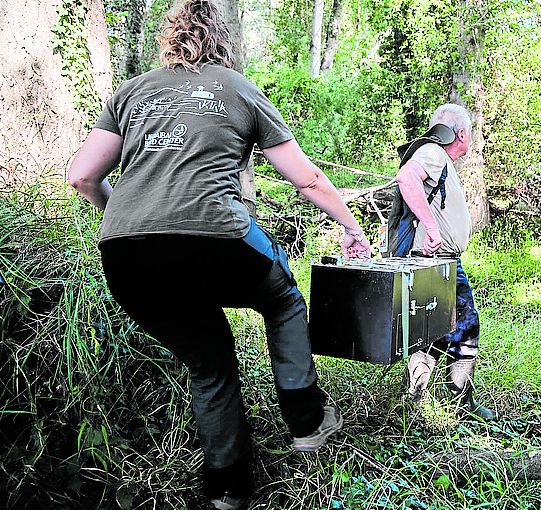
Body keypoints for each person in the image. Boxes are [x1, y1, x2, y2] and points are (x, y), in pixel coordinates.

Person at [66, 1, 370, 508]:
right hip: (216, 238)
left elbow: (81, 176)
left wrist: (125, 218)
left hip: (127, 257)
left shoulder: (132, 91)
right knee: (283, 298)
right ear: (224, 41)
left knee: (209, 365)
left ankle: (227, 493)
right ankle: (308, 421)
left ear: (169, 39)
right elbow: (308, 178)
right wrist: (351, 225)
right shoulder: (237, 88)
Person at [395, 104, 496, 421]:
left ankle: (417, 403)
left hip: (439, 261)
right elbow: (406, 177)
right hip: (434, 261)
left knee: (431, 331)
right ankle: (460, 405)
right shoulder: (434, 153)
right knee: (465, 329)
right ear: (462, 134)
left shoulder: (440, 160)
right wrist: (433, 227)